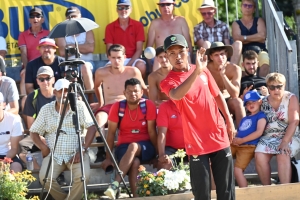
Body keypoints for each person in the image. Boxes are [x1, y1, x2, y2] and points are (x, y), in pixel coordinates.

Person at [160, 34, 235, 200]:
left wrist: (229, 121)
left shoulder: (203, 70)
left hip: (218, 133)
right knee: (202, 194)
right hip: (195, 141)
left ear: (188, 50)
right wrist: (197, 72)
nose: (177, 56)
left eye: (180, 51)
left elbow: (217, 96)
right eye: (172, 53)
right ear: (166, 56)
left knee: (227, 191)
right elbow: (177, 95)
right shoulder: (167, 81)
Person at [30, 78, 96, 200]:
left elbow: (92, 127)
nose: (65, 94)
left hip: (76, 153)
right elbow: (33, 132)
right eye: (61, 91)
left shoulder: (79, 106)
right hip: (55, 154)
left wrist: (83, 149)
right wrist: (43, 147)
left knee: (83, 176)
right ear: (55, 92)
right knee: (45, 177)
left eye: (67, 91)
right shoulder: (46, 109)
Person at [102, 78, 157, 199]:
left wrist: (157, 154)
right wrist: (108, 158)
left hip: (145, 146)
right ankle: (136, 197)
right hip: (123, 146)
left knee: (134, 146)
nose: (133, 94)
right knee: (134, 163)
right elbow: (110, 134)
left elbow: (152, 132)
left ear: (141, 92)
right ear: (124, 92)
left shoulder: (148, 105)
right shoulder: (117, 107)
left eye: (136, 91)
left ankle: (115, 184)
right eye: (129, 91)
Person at [93, 44, 147, 163]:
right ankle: (101, 151)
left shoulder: (133, 71)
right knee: (99, 119)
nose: (116, 61)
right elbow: (96, 87)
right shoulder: (101, 72)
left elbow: (144, 89)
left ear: (124, 57)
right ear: (108, 58)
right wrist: (100, 102)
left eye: (119, 57)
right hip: (109, 106)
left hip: (127, 105)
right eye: (113, 58)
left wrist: (153, 102)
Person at [19, 66, 67, 186]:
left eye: (48, 78)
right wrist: (41, 139)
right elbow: (31, 126)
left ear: (53, 79)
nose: (45, 82)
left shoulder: (61, 94)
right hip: (38, 133)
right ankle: (43, 176)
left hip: (58, 131)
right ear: (37, 81)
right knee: (22, 147)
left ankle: (57, 175)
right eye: (41, 79)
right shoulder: (32, 97)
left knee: (55, 140)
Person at [255, 73, 300, 185]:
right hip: (269, 136)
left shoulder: (291, 98)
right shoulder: (263, 101)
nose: (276, 90)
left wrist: (284, 142)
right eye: (272, 87)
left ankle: (285, 192)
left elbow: (295, 121)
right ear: (268, 88)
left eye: (279, 86)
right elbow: (250, 113)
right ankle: (268, 190)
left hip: (290, 135)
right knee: (259, 155)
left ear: (284, 86)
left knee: (283, 153)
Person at [56, 6, 94, 101]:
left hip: (87, 63)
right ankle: (73, 101)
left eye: (74, 16)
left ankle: (91, 98)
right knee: (70, 70)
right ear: (66, 18)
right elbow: (62, 52)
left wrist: (71, 46)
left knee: (85, 67)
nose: (71, 19)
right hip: (69, 63)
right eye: (69, 17)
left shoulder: (87, 30)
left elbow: (90, 48)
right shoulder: (61, 32)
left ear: (80, 17)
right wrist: (82, 47)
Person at [231, 90, 267, 187]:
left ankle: (246, 193)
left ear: (260, 101)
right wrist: (234, 138)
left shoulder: (261, 116)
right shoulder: (244, 118)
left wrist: (242, 140)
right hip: (237, 144)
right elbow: (240, 132)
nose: (250, 105)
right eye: (248, 103)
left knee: (237, 170)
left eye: (253, 101)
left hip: (248, 146)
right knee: (221, 159)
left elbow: (259, 132)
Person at [146, 0, 193, 71]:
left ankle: (189, 79)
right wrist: (149, 67)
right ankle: (157, 81)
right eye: (162, 5)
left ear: (173, 6)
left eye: (168, 4)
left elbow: (188, 43)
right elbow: (149, 48)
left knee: (186, 56)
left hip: (178, 55)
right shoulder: (154, 23)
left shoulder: (181, 21)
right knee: (157, 59)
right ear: (159, 7)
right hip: (162, 57)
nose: (165, 7)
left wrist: (190, 58)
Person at [206, 42, 245, 127]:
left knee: (238, 102)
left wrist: (223, 75)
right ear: (211, 57)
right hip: (212, 101)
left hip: (228, 100)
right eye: (216, 55)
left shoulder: (235, 69)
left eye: (222, 54)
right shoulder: (206, 69)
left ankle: (242, 135)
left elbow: (235, 94)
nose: (220, 58)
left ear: (226, 54)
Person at [104, 0, 147, 78]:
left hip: (133, 59)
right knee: (106, 70)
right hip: (116, 58)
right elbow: (109, 51)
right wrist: (118, 62)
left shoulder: (138, 25)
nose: (123, 10)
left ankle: (139, 88)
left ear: (131, 10)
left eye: (126, 7)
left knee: (141, 66)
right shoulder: (110, 27)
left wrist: (128, 65)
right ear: (116, 9)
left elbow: (139, 50)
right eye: (120, 7)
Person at [194, 0, 242, 65]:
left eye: (209, 13)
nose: (206, 16)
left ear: (214, 12)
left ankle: (231, 69)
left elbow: (227, 44)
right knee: (206, 43)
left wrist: (221, 55)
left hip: (222, 53)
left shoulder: (223, 26)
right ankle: (208, 71)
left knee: (238, 43)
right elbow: (203, 48)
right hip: (209, 56)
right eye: (204, 13)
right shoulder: (197, 28)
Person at [232, 0, 270, 77]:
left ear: (254, 9)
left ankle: (261, 84)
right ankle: (245, 86)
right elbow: (237, 38)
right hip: (243, 51)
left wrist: (244, 38)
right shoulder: (236, 23)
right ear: (241, 7)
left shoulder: (259, 20)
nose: (247, 8)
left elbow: (262, 36)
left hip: (260, 50)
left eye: (250, 6)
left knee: (265, 61)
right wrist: (256, 37)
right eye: (245, 5)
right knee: (240, 66)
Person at [18, 7, 50, 95]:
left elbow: (51, 52)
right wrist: (27, 68)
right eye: (32, 16)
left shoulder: (48, 34)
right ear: (29, 20)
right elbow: (23, 53)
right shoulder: (23, 35)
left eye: (38, 16)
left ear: (42, 19)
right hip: (31, 65)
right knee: (24, 74)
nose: (35, 18)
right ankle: (25, 102)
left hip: (46, 64)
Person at [156, 100, 185, 170]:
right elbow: (162, 133)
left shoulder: (192, 105)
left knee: (205, 161)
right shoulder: (165, 106)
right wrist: (162, 155)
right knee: (164, 164)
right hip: (171, 148)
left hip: (192, 147)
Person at [0, 92, 23, 173]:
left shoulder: (13, 120)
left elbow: (14, 149)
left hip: (9, 155)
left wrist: (4, 162)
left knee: (16, 169)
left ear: (4, 105)